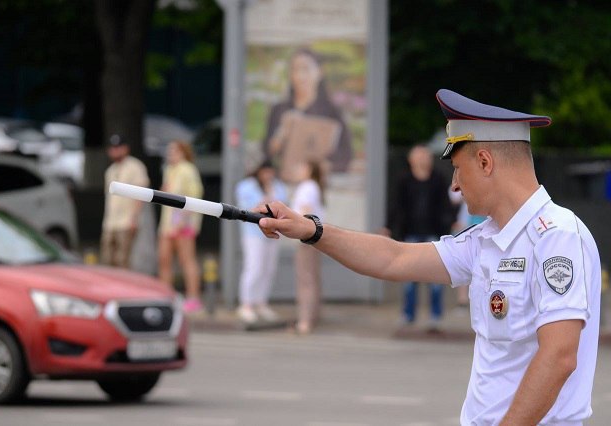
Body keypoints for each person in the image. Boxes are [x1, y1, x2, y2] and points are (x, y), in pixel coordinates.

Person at [256, 89, 601, 425]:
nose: (454, 184)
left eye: (457, 168)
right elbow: (393, 258)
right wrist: (310, 230)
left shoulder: (556, 236)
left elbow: (559, 356)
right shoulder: (488, 238)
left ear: (484, 161)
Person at [383, 145, 453, 331]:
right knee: (409, 278)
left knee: (436, 279)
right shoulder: (404, 181)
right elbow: (396, 205)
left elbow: (445, 206)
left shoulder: (438, 180)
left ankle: (435, 316)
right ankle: (408, 314)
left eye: (426, 156)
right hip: (410, 233)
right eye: (419, 156)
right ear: (411, 159)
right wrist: (389, 227)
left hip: (433, 233)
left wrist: (448, 225)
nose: (423, 160)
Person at [262, 47, 352, 183]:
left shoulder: (331, 111)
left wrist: (315, 169)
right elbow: (267, 154)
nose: (300, 76)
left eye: (306, 69)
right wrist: (282, 132)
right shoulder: (280, 110)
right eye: (295, 69)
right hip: (281, 185)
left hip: (316, 187)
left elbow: (345, 155)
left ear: (319, 72)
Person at [234, 159, 288, 324]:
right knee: (254, 267)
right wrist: (262, 202)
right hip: (253, 234)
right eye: (265, 172)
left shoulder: (278, 186)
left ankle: (260, 302)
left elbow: (284, 206)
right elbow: (245, 209)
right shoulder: (246, 186)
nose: (268, 176)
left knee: (268, 268)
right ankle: (246, 304)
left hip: (273, 232)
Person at [157, 140, 204, 313]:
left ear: (183, 152)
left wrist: (183, 221)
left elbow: (194, 195)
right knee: (164, 259)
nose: (170, 154)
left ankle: (193, 297)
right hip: (167, 222)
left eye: (174, 151)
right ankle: (165, 295)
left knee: (187, 260)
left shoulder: (187, 169)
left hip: (183, 223)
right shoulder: (169, 170)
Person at [101, 134, 149, 268]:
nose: (115, 151)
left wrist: (134, 218)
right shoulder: (110, 171)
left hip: (126, 220)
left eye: (118, 147)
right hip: (110, 222)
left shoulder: (135, 166)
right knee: (107, 259)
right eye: (113, 148)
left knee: (123, 259)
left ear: (126, 148)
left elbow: (140, 194)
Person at [291, 161, 326, 334]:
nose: (298, 170)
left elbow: (305, 212)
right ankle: (313, 316)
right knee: (312, 278)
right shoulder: (314, 186)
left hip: (307, 238)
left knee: (305, 280)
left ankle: (304, 320)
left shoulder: (307, 186)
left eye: (302, 167)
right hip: (315, 237)